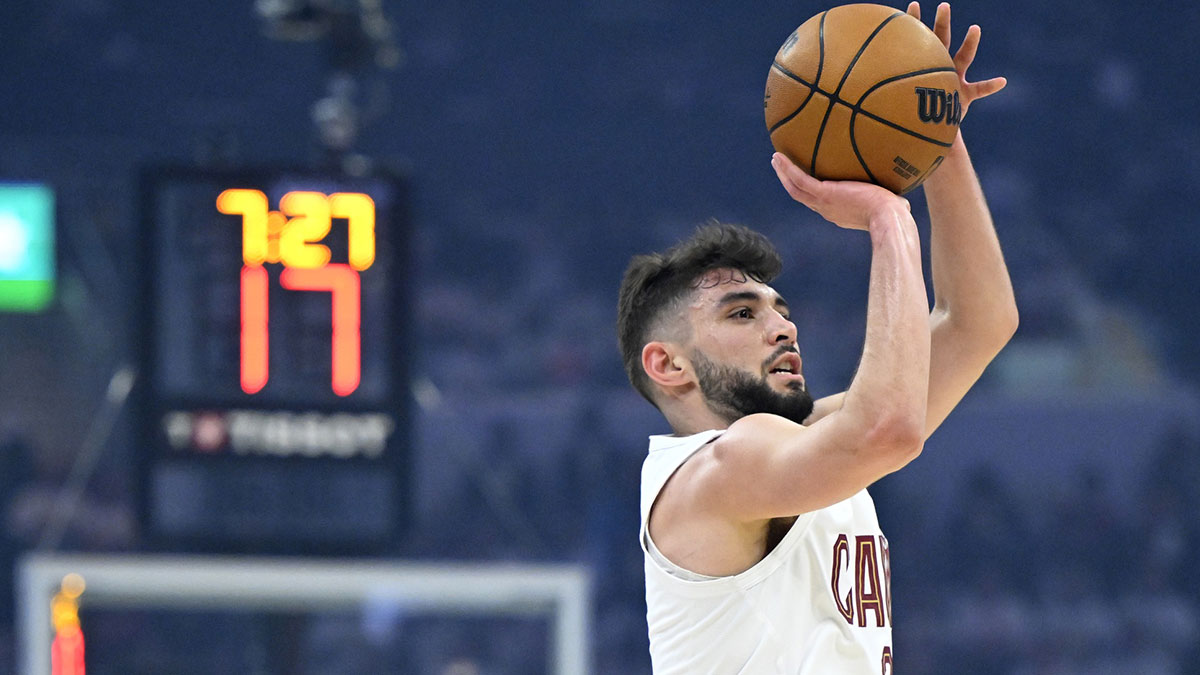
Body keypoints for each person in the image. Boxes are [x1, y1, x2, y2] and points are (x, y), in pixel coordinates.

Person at [614, 3, 1016, 672]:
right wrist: (888, 217)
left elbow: (980, 323)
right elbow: (890, 430)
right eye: (742, 314)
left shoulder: (798, 448)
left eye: (780, 307)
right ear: (668, 363)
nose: (782, 325)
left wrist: (932, 135)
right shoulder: (715, 472)